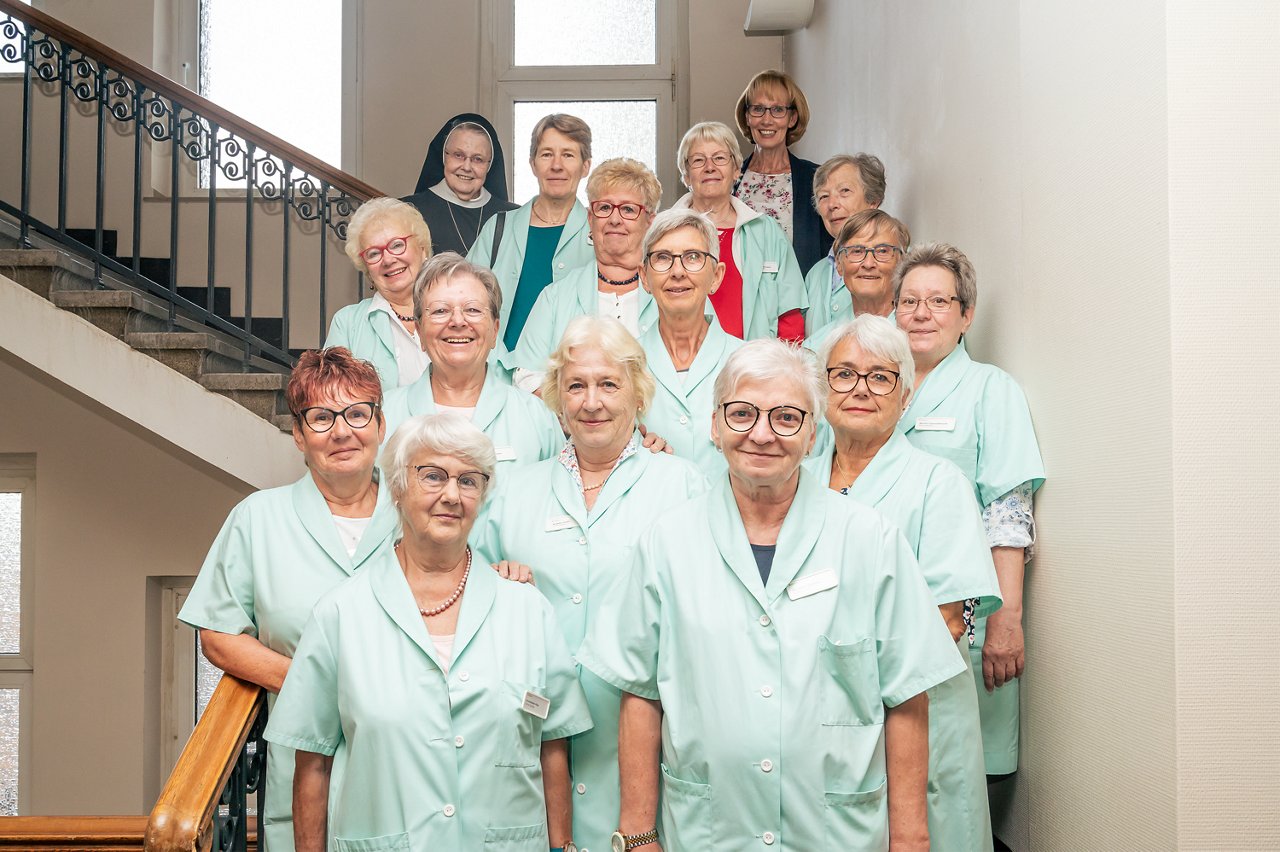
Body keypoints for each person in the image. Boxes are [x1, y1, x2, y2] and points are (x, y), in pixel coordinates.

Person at [580, 339, 966, 851]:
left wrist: (912, 838)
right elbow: (640, 695)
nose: (761, 434)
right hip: (708, 830)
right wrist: (637, 833)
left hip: (836, 832)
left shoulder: (871, 541)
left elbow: (907, 697)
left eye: (786, 417)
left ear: (812, 434)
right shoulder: (666, 544)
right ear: (714, 427)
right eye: (742, 414)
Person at [265, 414, 592, 851]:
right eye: (433, 476)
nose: (452, 496)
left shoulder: (529, 611)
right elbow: (312, 762)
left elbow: (553, 745)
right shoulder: (341, 614)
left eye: (469, 481)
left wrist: (561, 845)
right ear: (398, 488)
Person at [473, 316, 707, 851]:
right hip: (531, 740)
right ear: (557, 400)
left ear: (638, 394)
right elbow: (465, 593)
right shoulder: (514, 491)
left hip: (645, 737)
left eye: (608, 384)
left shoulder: (684, 486)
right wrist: (493, 580)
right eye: (576, 386)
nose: (592, 401)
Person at [179, 348, 399, 852]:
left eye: (357, 413)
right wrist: (306, 682)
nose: (342, 431)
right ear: (298, 435)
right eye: (321, 418)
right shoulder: (258, 518)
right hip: (301, 754)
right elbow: (217, 633)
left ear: (381, 424)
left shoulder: (421, 512)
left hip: (405, 755)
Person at [808, 314, 1003, 851]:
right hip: (813, 721)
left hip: (915, 713)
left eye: (881, 376)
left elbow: (949, 618)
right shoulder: (795, 482)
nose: (860, 390)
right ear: (821, 389)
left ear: (906, 394)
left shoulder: (938, 484)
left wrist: (840, 677)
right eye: (843, 374)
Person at [893, 242, 1046, 780]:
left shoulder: (989, 389)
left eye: (938, 301)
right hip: (889, 604)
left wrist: (1006, 619)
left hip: (964, 615)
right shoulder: (878, 390)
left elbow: (1009, 511)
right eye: (909, 301)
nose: (920, 313)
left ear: (966, 315)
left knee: (956, 780)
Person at [382, 252, 562, 470]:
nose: (458, 321)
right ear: (419, 332)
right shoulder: (385, 415)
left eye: (473, 310)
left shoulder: (537, 417)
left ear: (494, 331)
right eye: (440, 311)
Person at [509, 158, 662, 393]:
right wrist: (574, 412)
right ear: (590, 219)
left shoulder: (672, 292)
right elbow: (526, 376)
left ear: (649, 222)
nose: (614, 219)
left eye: (628, 209)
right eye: (604, 208)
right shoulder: (555, 297)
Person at [467, 114, 595, 354]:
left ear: (585, 166)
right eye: (546, 154)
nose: (556, 165)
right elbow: (464, 300)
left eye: (568, 155)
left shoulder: (600, 233)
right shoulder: (498, 228)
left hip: (573, 376)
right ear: (533, 163)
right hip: (499, 374)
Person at [671, 121, 806, 342]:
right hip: (683, 364)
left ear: (736, 170)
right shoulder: (664, 233)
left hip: (753, 368)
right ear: (686, 175)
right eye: (698, 160)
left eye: (720, 158)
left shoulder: (767, 232)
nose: (709, 167)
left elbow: (790, 314)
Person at [636, 208, 743, 475]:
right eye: (662, 258)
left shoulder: (749, 363)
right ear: (644, 277)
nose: (677, 271)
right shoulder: (622, 365)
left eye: (693, 257)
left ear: (716, 276)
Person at [327, 198, 434, 389]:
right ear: (367, 269)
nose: (388, 259)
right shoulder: (347, 323)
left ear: (423, 249)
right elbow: (330, 396)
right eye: (374, 253)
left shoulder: (461, 311)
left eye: (396, 245)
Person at [732, 69, 829, 275]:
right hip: (738, 298)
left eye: (777, 110)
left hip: (798, 300)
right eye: (758, 109)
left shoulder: (816, 178)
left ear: (792, 118)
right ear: (747, 116)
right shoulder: (729, 178)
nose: (767, 120)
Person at [402, 113, 518, 256]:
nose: (467, 167)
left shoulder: (514, 218)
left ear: (489, 165)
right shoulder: (407, 212)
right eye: (458, 155)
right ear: (444, 156)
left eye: (478, 159)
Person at [804, 154, 887, 336]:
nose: (832, 204)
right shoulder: (815, 274)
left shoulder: (897, 264)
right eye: (823, 196)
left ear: (873, 200)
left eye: (845, 192)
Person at [807, 207, 911, 346]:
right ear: (839, 263)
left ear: (902, 262)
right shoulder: (817, 347)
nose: (868, 263)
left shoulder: (920, 337)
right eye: (856, 251)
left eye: (882, 251)